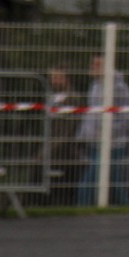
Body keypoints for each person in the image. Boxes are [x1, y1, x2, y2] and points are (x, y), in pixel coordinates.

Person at [77, 54, 129, 206]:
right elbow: (92, 113)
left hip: (112, 144)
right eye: (93, 64)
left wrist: (110, 132)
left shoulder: (119, 87)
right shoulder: (95, 85)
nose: (93, 68)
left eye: (98, 65)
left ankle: (82, 208)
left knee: (90, 179)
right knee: (113, 182)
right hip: (94, 142)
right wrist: (83, 135)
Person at [45, 64, 84, 204]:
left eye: (58, 77)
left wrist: (50, 148)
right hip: (52, 147)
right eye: (52, 77)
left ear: (66, 78)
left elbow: (67, 128)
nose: (54, 81)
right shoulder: (53, 97)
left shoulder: (72, 98)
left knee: (62, 188)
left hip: (65, 151)